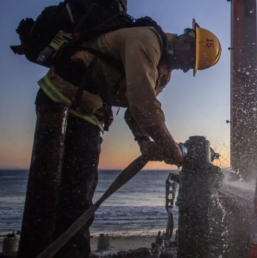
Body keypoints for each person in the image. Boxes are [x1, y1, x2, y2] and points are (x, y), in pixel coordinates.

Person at [17, 19, 221, 258]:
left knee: (77, 197)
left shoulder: (162, 72)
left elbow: (135, 111)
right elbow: (144, 106)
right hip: (61, 100)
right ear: (187, 39)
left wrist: (144, 141)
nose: (186, 67)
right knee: (52, 197)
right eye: (190, 59)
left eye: (192, 66)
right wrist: (171, 149)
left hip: (89, 111)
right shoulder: (146, 41)